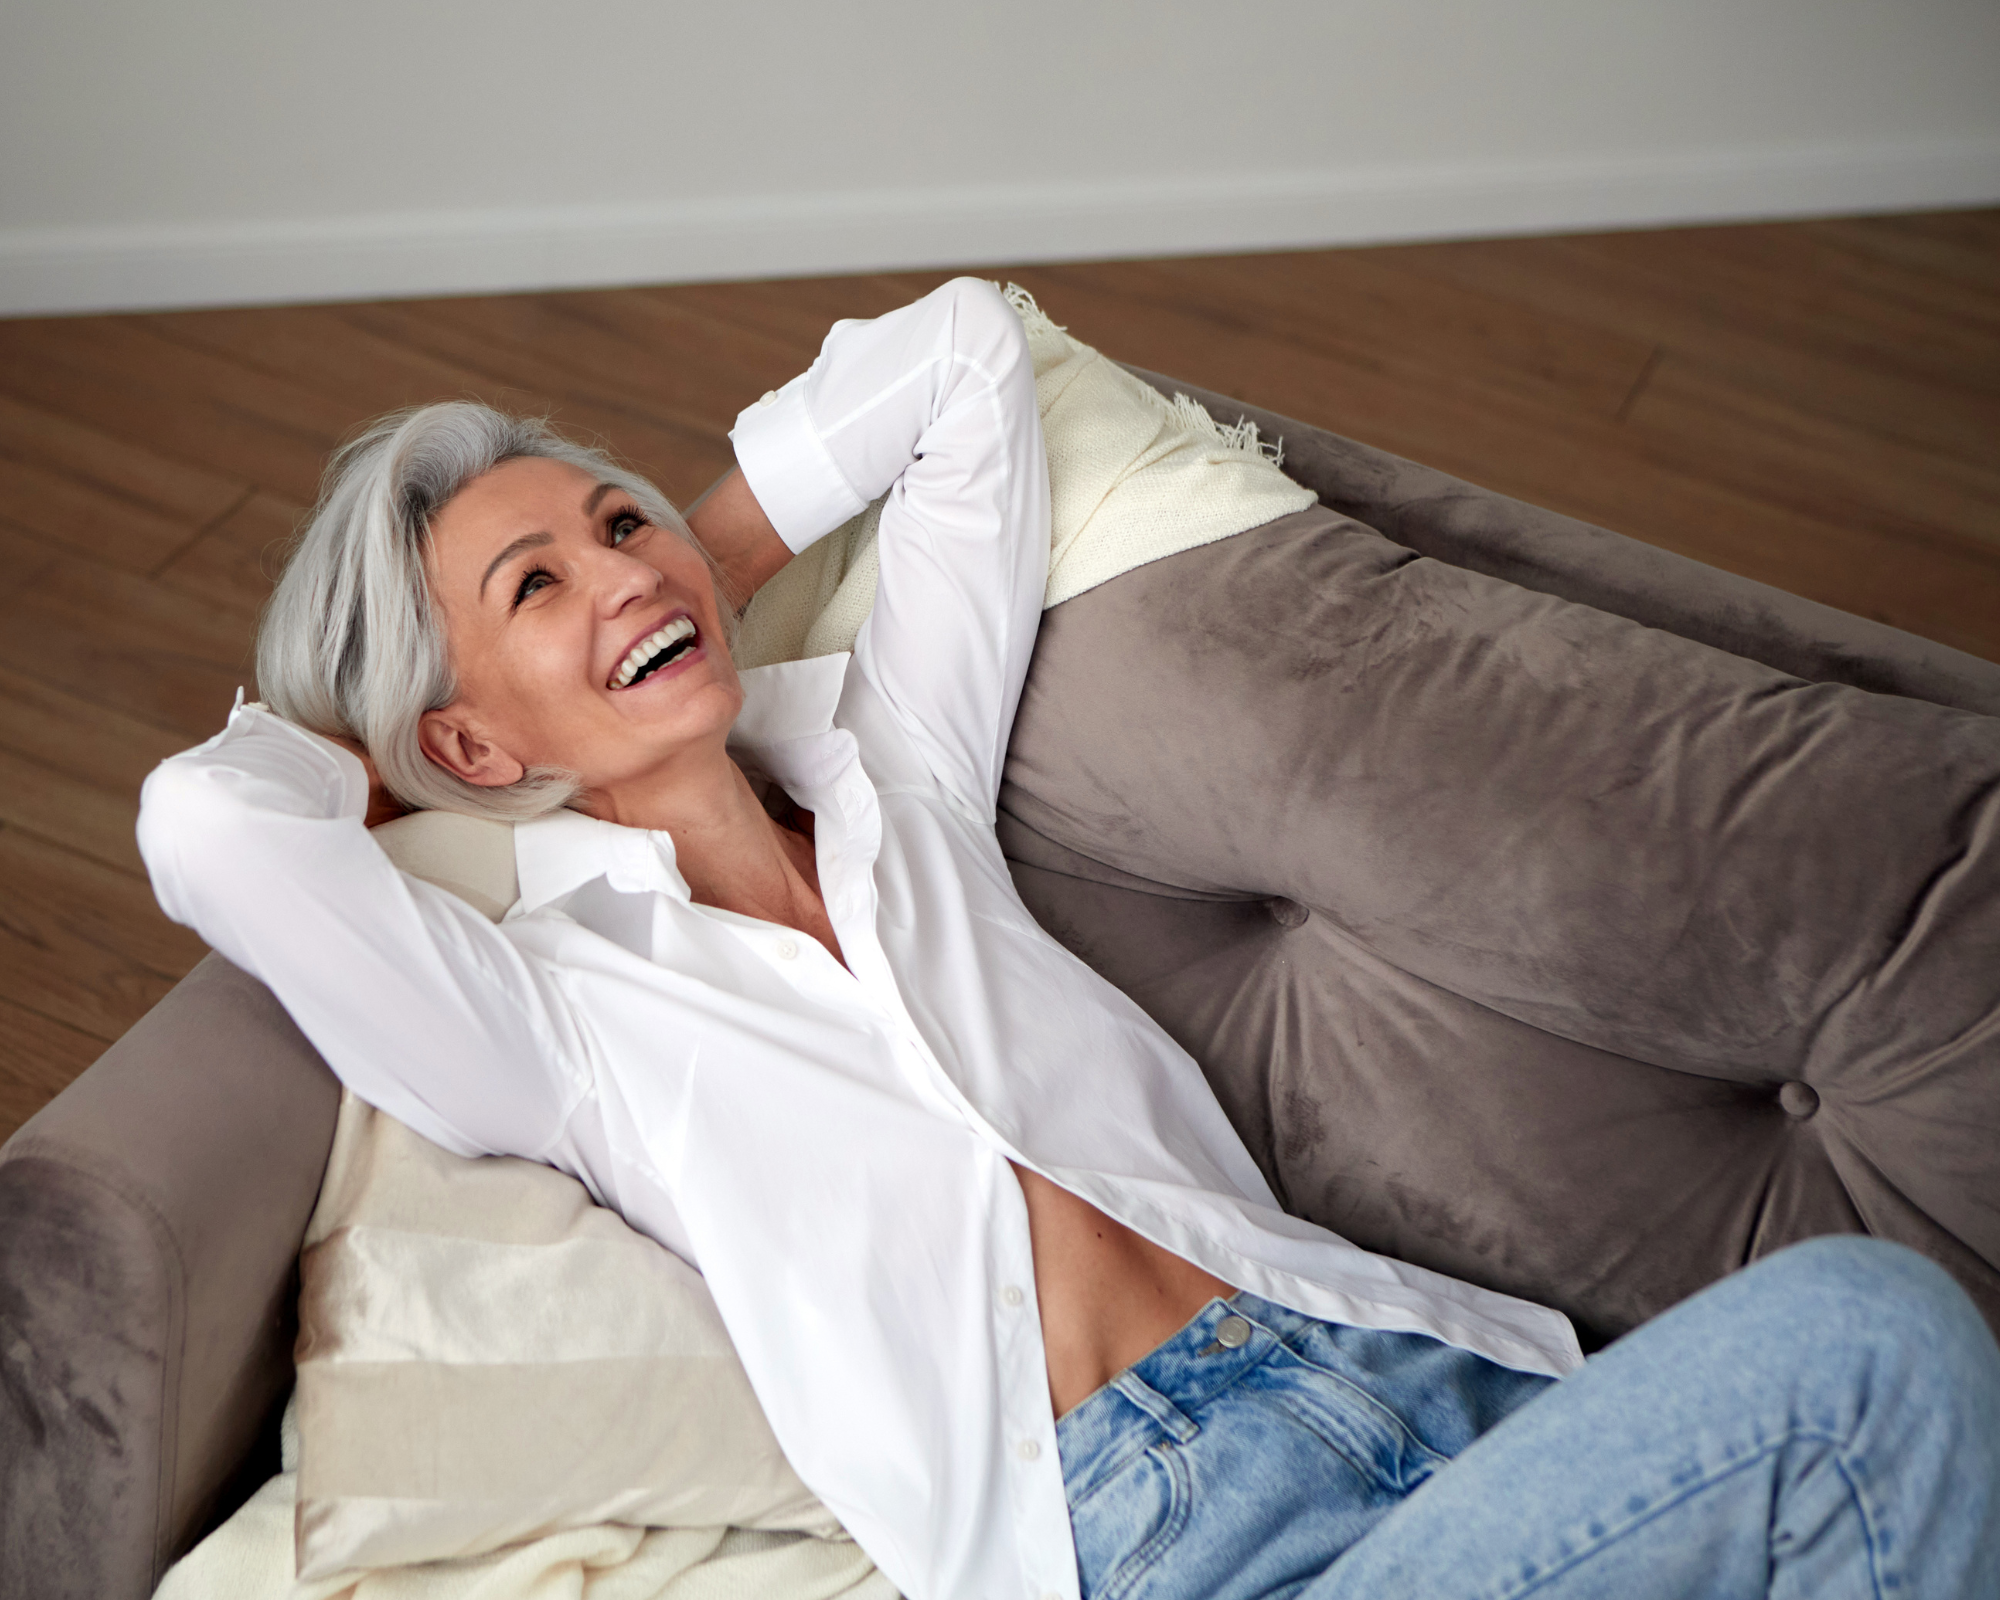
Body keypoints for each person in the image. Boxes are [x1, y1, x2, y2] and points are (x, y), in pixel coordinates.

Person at [139, 278, 2000, 1600]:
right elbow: (203, 825)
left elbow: (965, 354)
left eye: (615, 523)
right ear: (468, 743)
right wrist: (402, 764)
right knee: (1868, 1336)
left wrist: (674, 567)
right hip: (1161, 1534)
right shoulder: (544, 1018)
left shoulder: (893, 772)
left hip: (1436, 1381)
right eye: (535, 585)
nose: (621, 568)